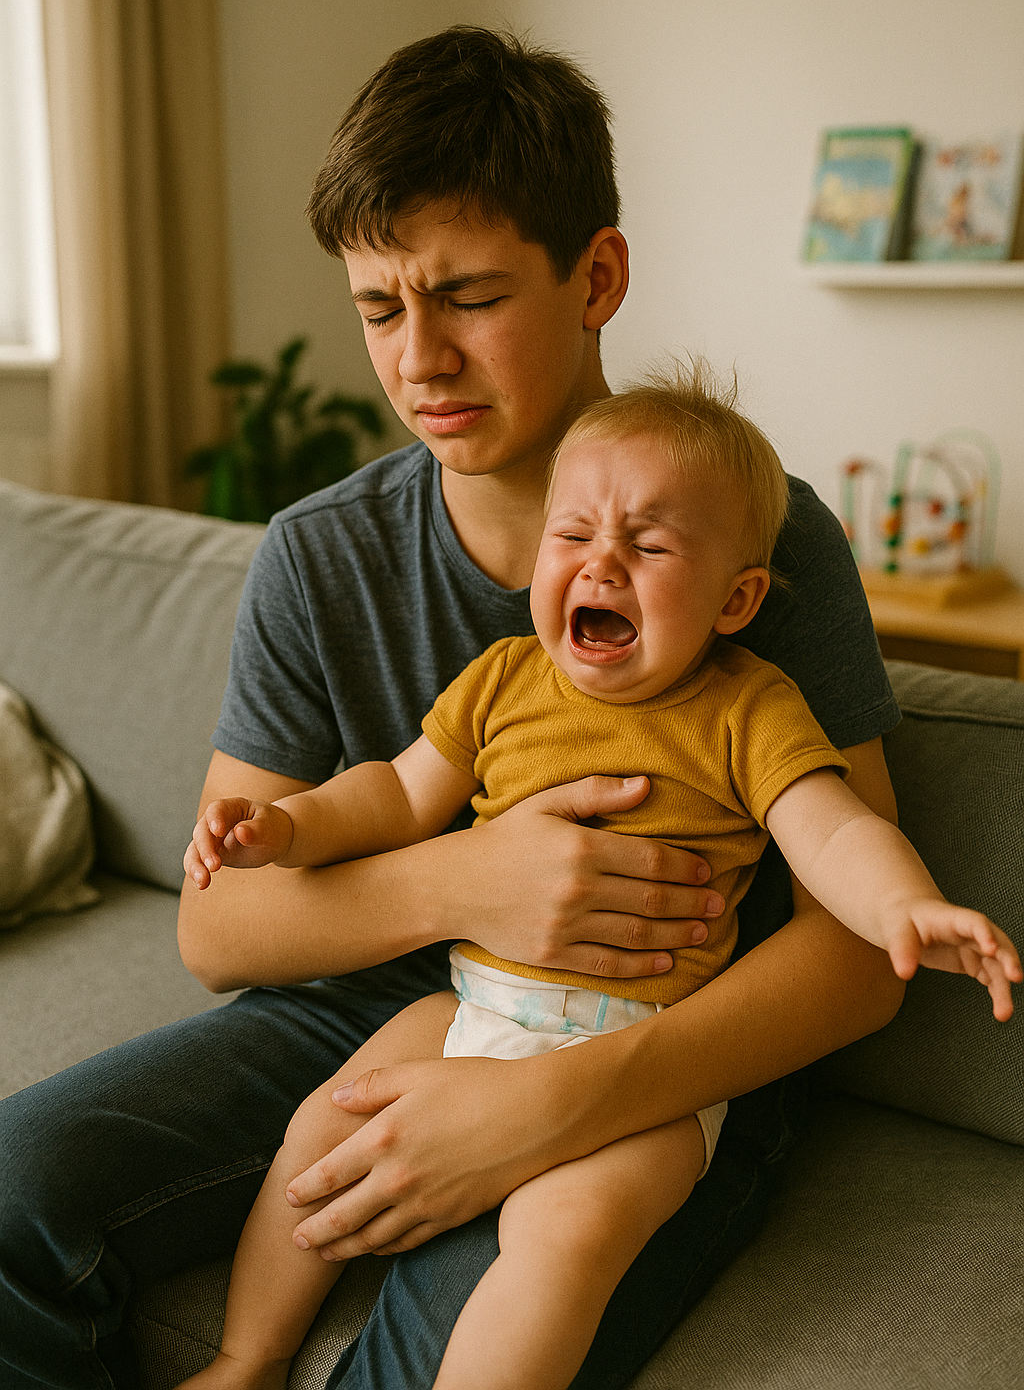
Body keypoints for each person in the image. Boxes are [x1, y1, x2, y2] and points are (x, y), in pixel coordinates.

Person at [1, 27, 917, 1390]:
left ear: (597, 274)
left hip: (654, 1052)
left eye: (468, 296)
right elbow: (220, 923)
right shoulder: (323, 554)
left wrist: (548, 1105)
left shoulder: (760, 554)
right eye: (379, 308)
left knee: (459, 1349)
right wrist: (474, 880)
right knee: (16, 1183)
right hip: (372, 1006)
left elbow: (857, 955)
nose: (418, 357)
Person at [173, 371, 1019, 1390]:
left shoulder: (750, 709)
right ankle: (245, 1359)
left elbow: (833, 832)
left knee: (565, 1238)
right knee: (320, 1126)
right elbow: (391, 796)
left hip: (643, 1059)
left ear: (735, 598)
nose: (601, 564)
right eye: (573, 537)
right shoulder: (501, 679)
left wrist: (905, 905)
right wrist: (282, 826)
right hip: (477, 1000)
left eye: (650, 546)